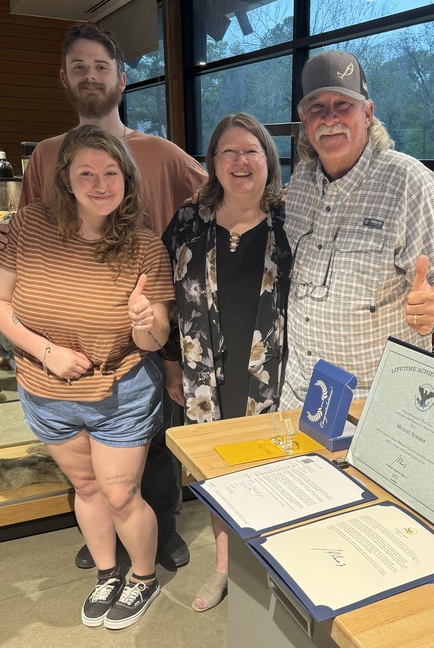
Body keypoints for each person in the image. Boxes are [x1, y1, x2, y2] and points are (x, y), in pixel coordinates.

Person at [0, 22, 208, 571]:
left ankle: (158, 531)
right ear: (64, 77)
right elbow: (40, 227)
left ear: (122, 78)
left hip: (144, 316)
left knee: (151, 439)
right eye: (79, 67)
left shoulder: (160, 152)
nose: (91, 77)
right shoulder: (47, 154)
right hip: (65, 342)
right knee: (91, 466)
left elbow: (218, 193)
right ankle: (110, 538)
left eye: (101, 67)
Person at [0, 124, 174, 629]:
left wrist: (144, 322)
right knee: (87, 490)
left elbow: (156, 339)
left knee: (119, 495)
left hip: (120, 389)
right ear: (65, 177)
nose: (100, 184)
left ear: (126, 180)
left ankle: (142, 577)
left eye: (111, 172)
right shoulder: (27, 227)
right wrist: (47, 352)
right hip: (45, 390)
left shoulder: (144, 246)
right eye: (86, 172)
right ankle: (107, 573)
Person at [161, 112, 291, 612]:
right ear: (212, 163)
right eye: (227, 152)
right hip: (203, 371)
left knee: (268, 467)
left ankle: (262, 564)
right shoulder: (189, 221)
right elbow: (163, 295)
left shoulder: (289, 219)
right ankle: (223, 566)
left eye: (251, 150)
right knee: (216, 472)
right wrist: (171, 362)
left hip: (273, 372)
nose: (240, 161)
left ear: (267, 160)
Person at [280, 50, 434, 408]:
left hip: (375, 402)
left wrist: (433, 306)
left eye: (343, 104)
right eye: (317, 107)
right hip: (300, 392)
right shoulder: (300, 180)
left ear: (368, 112)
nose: (329, 118)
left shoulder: (408, 181)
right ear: (304, 118)